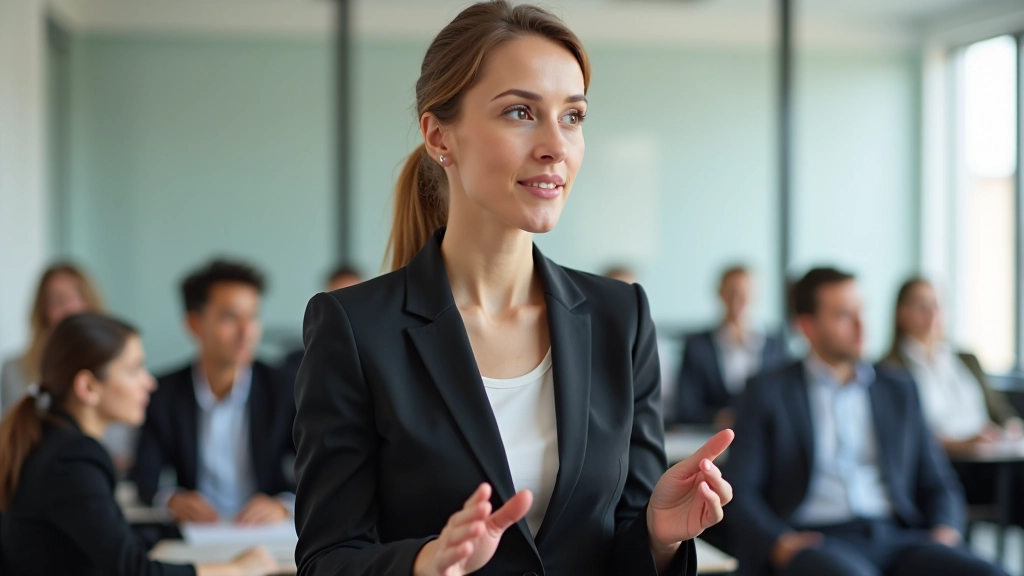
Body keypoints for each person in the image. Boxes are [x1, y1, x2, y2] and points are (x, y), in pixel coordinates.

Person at [292, 3, 734, 575]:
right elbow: (327, 559)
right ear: (438, 136)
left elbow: (619, 542)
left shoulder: (620, 318)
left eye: (572, 116)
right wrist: (427, 563)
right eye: (521, 111)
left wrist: (657, 535)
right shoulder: (354, 328)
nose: (555, 145)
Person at [726, 268, 1007, 576]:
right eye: (844, 315)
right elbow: (741, 489)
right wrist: (778, 542)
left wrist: (945, 530)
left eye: (862, 311)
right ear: (808, 326)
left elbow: (937, 480)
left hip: (897, 536)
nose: (861, 326)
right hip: (816, 539)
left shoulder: (898, 389)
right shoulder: (768, 392)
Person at [0, 313, 276, 576]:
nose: (150, 382)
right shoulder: (73, 459)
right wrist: (237, 570)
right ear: (88, 387)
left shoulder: (54, 442)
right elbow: (135, 572)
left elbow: (108, 537)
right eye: (134, 370)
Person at [131, 260, 295, 526]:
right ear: (194, 324)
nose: (246, 332)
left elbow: (321, 469)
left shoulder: (285, 387)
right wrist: (171, 500)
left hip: (267, 532)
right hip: (196, 532)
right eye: (230, 317)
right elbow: (143, 477)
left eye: (253, 316)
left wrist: (283, 504)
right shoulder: (163, 394)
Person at [882, 277, 1022, 451]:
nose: (932, 314)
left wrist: (1011, 428)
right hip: (946, 462)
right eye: (921, 306)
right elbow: (901, 437)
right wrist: (962, 445)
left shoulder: (967, 359)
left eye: (936, 305)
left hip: (993, 451)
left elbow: (1001, 413)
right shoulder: (888, 369)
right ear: (901, 313)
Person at [674, 266, 788, 427]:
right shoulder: (697, 346)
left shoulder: (775, 344)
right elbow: (685, 408)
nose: (737, 301)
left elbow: (785, 400)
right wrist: (718, 417)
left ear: (755, 296)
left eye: (744, 294)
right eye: (731, 293)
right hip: (712, 437)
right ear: (720, 294)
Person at [1, 262, 104, 412]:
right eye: (58, 301)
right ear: (43, 311)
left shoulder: (109, 366)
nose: (70, 308)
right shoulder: (14, 370)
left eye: (78, 297)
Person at [279, 264, 364, 387]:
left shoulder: (381, 362)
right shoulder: (296, 365)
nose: (346, 310)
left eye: (354, 301)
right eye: (338, 302)